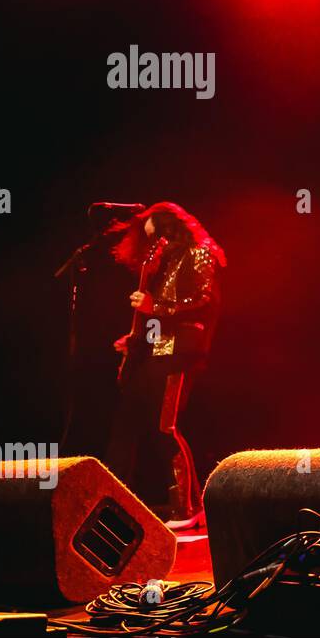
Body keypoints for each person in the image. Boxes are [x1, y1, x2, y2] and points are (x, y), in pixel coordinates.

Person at [103, 202, 224, 529]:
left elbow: (201, 299)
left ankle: (187, 508)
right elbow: (159, 314)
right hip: (157, 350)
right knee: (127, 424)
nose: (154, 244)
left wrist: (153, 306)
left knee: (164, 427)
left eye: (156, 236)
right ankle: (113, 502)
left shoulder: (200, 252)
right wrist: (134, 339)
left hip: (180, 350)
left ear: (171, 229)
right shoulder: (168, 261)